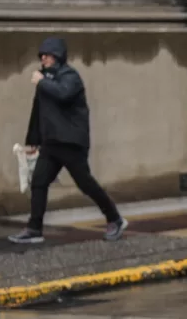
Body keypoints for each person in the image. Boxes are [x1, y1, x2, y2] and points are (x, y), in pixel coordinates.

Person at [9, 37, 127, 244]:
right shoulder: (45, 79)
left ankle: (115, 219)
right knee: (39, 182)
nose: (43, 58)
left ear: (58, 56)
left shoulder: (69, 76)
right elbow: (39, 112)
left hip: (71, 142)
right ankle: (34, 228)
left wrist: (43, 82)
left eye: (47, 54)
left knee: (85, 183)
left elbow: (63, 94)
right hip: (51, 142)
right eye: (41, 55)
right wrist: (34, 140)